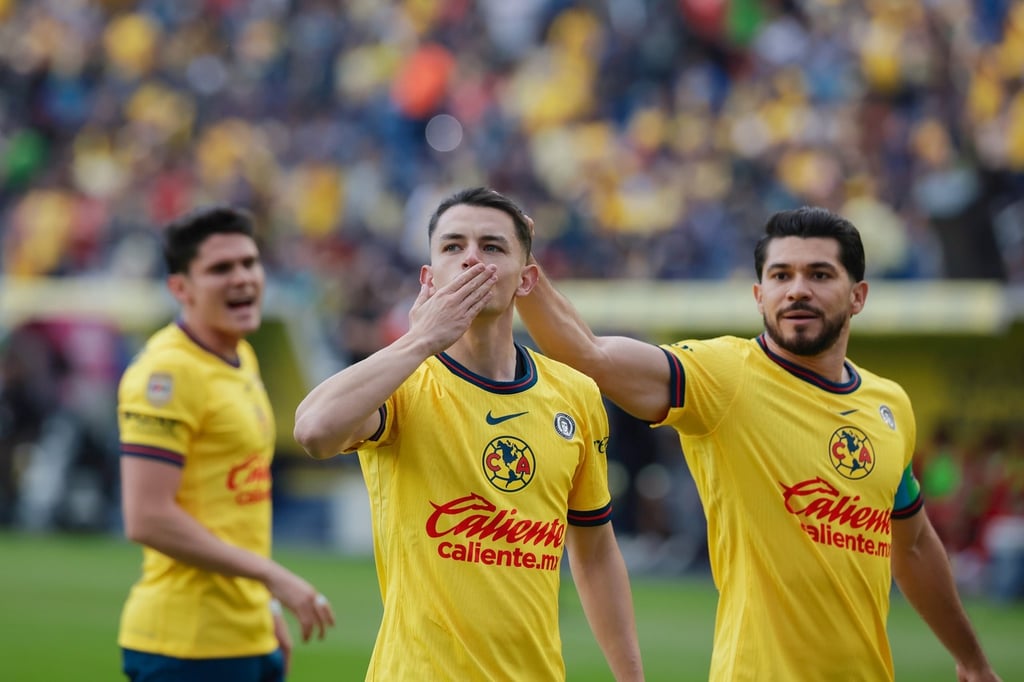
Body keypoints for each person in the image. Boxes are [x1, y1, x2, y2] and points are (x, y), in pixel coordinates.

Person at [515, 206, 1002, 682]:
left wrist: (973, 660)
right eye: (781, 275)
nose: (797, 290)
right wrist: (521, 263)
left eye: (819, 274)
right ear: (758, 293)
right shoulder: (724, 376)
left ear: (858, 296)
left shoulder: (890, 405)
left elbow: (913, 546)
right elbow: (589, 353)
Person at [293, 187, 644, 681]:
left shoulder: (575, 394)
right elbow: (313, 431)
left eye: (493, 247)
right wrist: (420, 339)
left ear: (526, 280)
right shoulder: (402, 384)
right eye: (453, 247)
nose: (471, 261)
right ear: (428, 277)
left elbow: (596, 551)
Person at [116, 206, 335, 682]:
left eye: (249, 263)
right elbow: (147, 516)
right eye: (220, 268)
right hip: (186, 646)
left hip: (248, 633)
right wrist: (274, 577)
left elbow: (232, 511)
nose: (242, 278)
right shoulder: (167, 373)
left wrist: (263, 606)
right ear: (181, 288)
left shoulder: (242, 358)